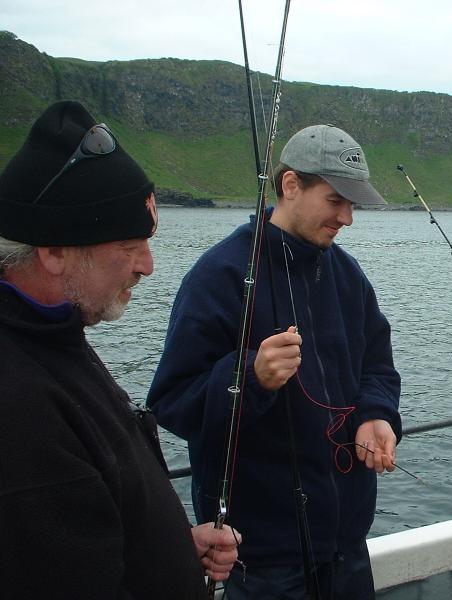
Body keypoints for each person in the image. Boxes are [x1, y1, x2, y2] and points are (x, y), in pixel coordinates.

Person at [146, 124, 402, 599]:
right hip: (261, 558)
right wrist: (250, 378)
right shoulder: (219, 276)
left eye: (353, 204)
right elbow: (172, 402)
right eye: (335, 200)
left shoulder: (347, 275)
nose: (347, 217)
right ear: (290, 186)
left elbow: (378, 367)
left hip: (346, 544)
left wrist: (376, 415)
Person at [0, 100, 240, 598]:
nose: (147, 266)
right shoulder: (17, 401)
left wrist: (168, 545)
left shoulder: (52, 338)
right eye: (129, 245)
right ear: (54, 250)